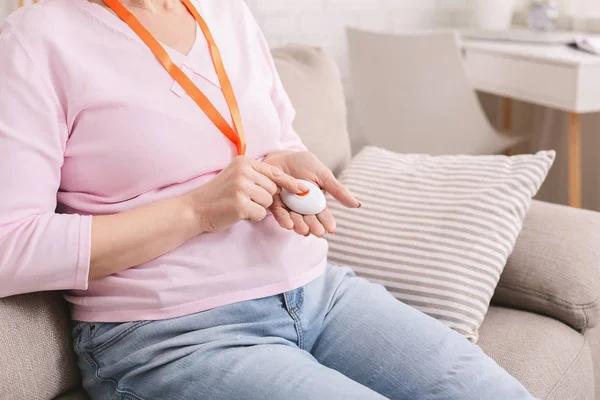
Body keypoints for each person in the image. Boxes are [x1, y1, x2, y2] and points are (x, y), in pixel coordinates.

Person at [0, 0, 535, 399]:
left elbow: (276, 136)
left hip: (319, 295)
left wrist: (284, 164)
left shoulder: (225, 11)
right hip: (176, 336)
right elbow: (10, 248)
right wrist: (196, 211)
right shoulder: (35, 39)